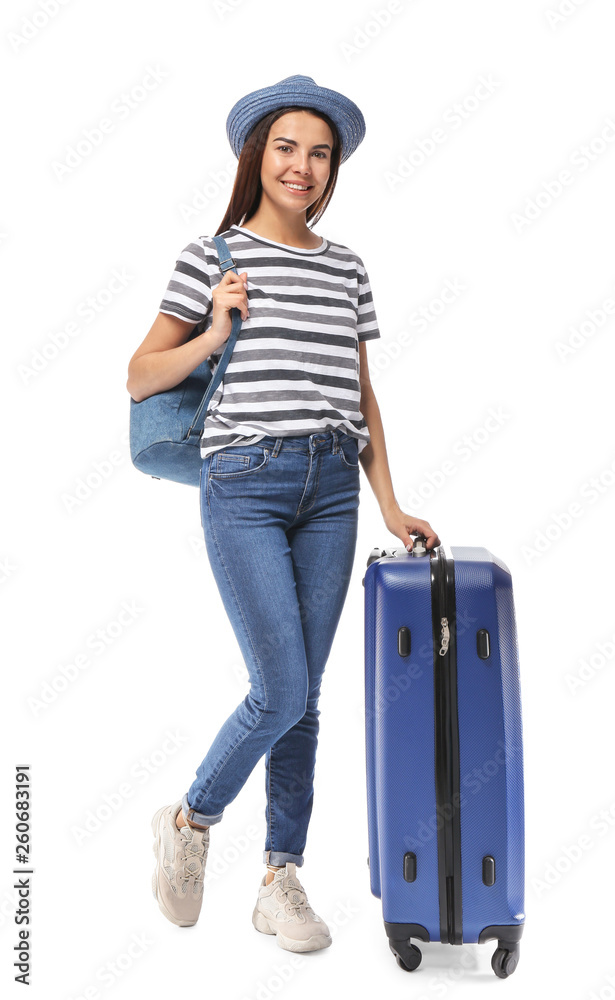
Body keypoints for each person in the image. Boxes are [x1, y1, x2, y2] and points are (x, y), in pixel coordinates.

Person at [126, 74, 440, 952]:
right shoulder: (212, 256)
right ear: (254, 156)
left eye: (319, 152)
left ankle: (279, 877)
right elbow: (139, 375)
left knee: (302, 699)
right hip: (246, 483)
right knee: (282, 687)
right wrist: (213, 333)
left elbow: (361, 393)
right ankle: (190, 822)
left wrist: (388, 502)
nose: (301, 167)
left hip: (333, 487)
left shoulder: (346, 267)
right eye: (285, 148)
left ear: (332, 165)